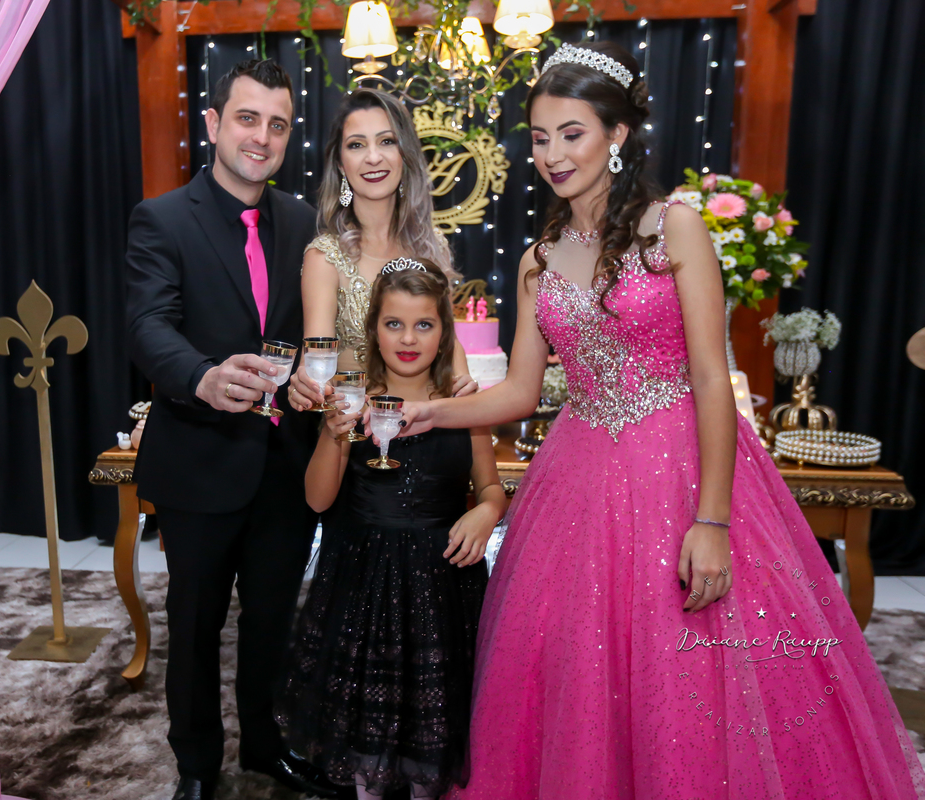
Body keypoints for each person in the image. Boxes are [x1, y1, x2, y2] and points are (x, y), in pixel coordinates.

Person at [384, 43, 925, 798]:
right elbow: (520, 393)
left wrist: (714, 520)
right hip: (576, 478)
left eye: (572, 133)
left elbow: (710, 378)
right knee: (575, 668)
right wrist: (432, 410)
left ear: (617, 135)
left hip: (677, 470)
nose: (552, 154)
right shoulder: (539, 259)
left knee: (694, 675)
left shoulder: (676, 227)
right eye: (539, 138)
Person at [124, 59, 338, 800]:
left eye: (278, 124)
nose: (262, 137)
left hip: (284, 462)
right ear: (214, 124)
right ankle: (196, 764)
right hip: (199, 459)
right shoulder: (162, 218)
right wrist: (202, 377)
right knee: (194, 625)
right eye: (248, 119)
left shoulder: (304, 223)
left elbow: (316, 333)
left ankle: (266, 747)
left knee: (274, 622)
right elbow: (148, 326)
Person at [278, 259, 506, 799]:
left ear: (443, 333)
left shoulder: (464, 406)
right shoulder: (350, 402)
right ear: (374, 330)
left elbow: (491, 488)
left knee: (433, 720)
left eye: (423, 325)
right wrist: (332, 435)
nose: (408, 339)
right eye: (394, 324)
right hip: (364, 581)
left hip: (441, 584)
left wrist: (487, 511)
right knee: (366, 723)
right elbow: (317, 499)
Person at [287, 89, 477, 413]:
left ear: (405, 154)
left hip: (432, 422)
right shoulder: (325, 257)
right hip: (354, 431)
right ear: (340, 164)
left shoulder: (433, 245)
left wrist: (464, 388)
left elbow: (451, 345)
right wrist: (305, 386)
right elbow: (316, 360)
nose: (373, 157)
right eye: (356, 145)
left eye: (387, 141)